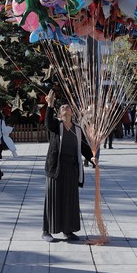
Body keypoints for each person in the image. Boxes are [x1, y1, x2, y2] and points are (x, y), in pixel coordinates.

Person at [42, 89, 94, 243]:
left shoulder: (78, 129)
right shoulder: (56, 126)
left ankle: (68, 230)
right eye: (62, 107)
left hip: (71, 168)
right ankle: (46, 230)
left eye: (67, 106)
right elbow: (48, 123)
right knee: (53, 198)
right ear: (59, 113)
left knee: (70, 200)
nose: (65, 107)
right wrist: (50, 105)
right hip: (56, 168)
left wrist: (92, 158)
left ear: (72, 112)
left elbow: (84, 147)